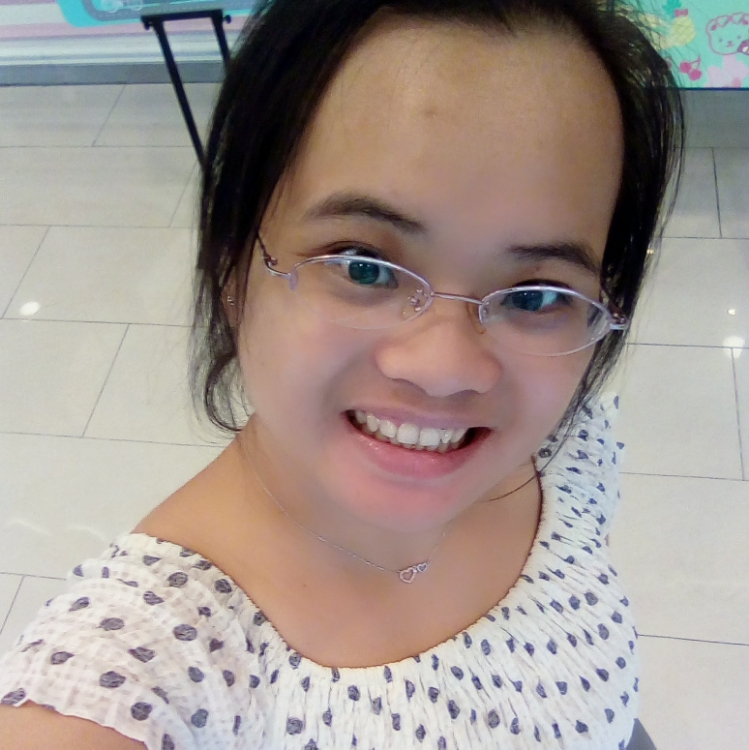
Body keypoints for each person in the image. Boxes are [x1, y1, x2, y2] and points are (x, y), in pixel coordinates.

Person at [0, 0, 683, 747]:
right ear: (232, 264)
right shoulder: (139, 674)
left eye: (535, 295)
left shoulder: (565, 445)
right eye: (364, 266)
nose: (444, 370)